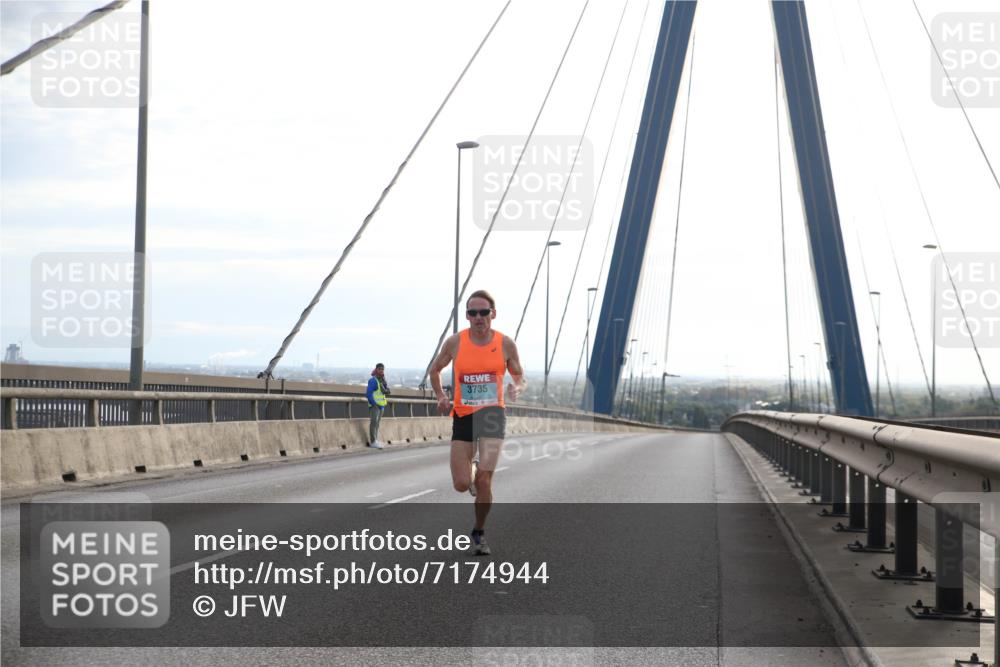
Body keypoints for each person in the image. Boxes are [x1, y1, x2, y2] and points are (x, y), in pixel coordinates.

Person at [429, 290, 526, 556]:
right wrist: (440, 395)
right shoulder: (455, 342)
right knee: (462, 484)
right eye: (473, 313)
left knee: (485, 481)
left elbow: (520, 377)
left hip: (493, 416)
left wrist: (517, 388)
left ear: (493, 314)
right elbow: (434, 370)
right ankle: (469, 472)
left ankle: (479, 532)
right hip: (463, 415)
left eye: (484, 312)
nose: (478, 318)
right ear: (468, 316)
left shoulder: (505, 343)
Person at [366, 363, 390, 449]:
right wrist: (373, 404)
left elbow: (385, 391)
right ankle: (373, 441)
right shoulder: (373, 380)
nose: (381, 371)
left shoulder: (382, 380)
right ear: (376, 369)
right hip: (375, 406)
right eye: (379, 369)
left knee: (377, 424)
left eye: (382, 369)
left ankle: (375, 440)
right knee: (374, 423)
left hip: (381, 405)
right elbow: (368, 393)